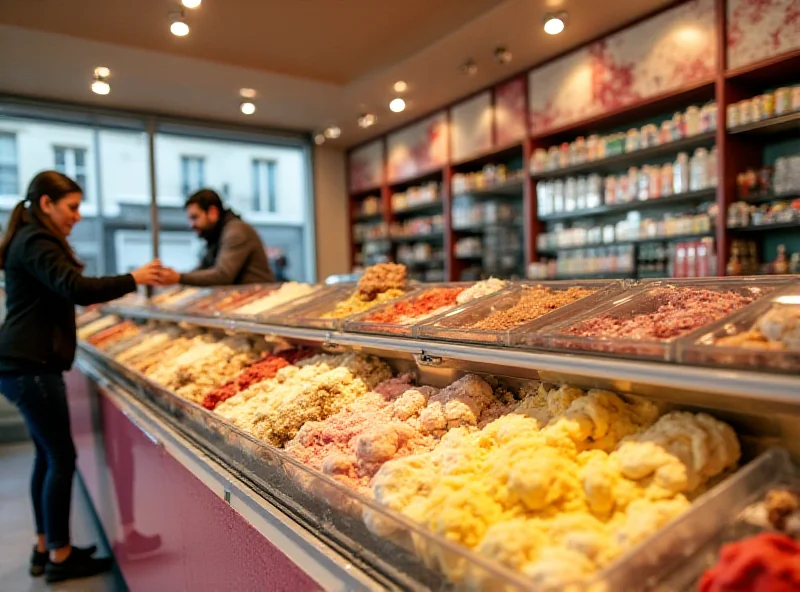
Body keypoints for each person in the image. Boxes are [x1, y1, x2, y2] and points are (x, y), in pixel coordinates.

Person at [0, 171, 162, 583]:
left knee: (46, 456)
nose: (77, 216)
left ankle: (46, 546)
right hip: (32, 366)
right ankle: (60, 556)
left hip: (23, 365)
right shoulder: (37, 240)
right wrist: (134, 278)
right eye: (71, 207)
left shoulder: (29, 239)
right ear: (45, 205)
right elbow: (74, 287)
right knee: (61, 457)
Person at [158, 189, 275, 286]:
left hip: (257, 303)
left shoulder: (236, 231)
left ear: (212, 212)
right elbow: (203, 269)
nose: (191, 225)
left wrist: (178, 277)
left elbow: (223, 275)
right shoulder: (216, 235)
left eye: (195, 217)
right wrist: (173, 277)